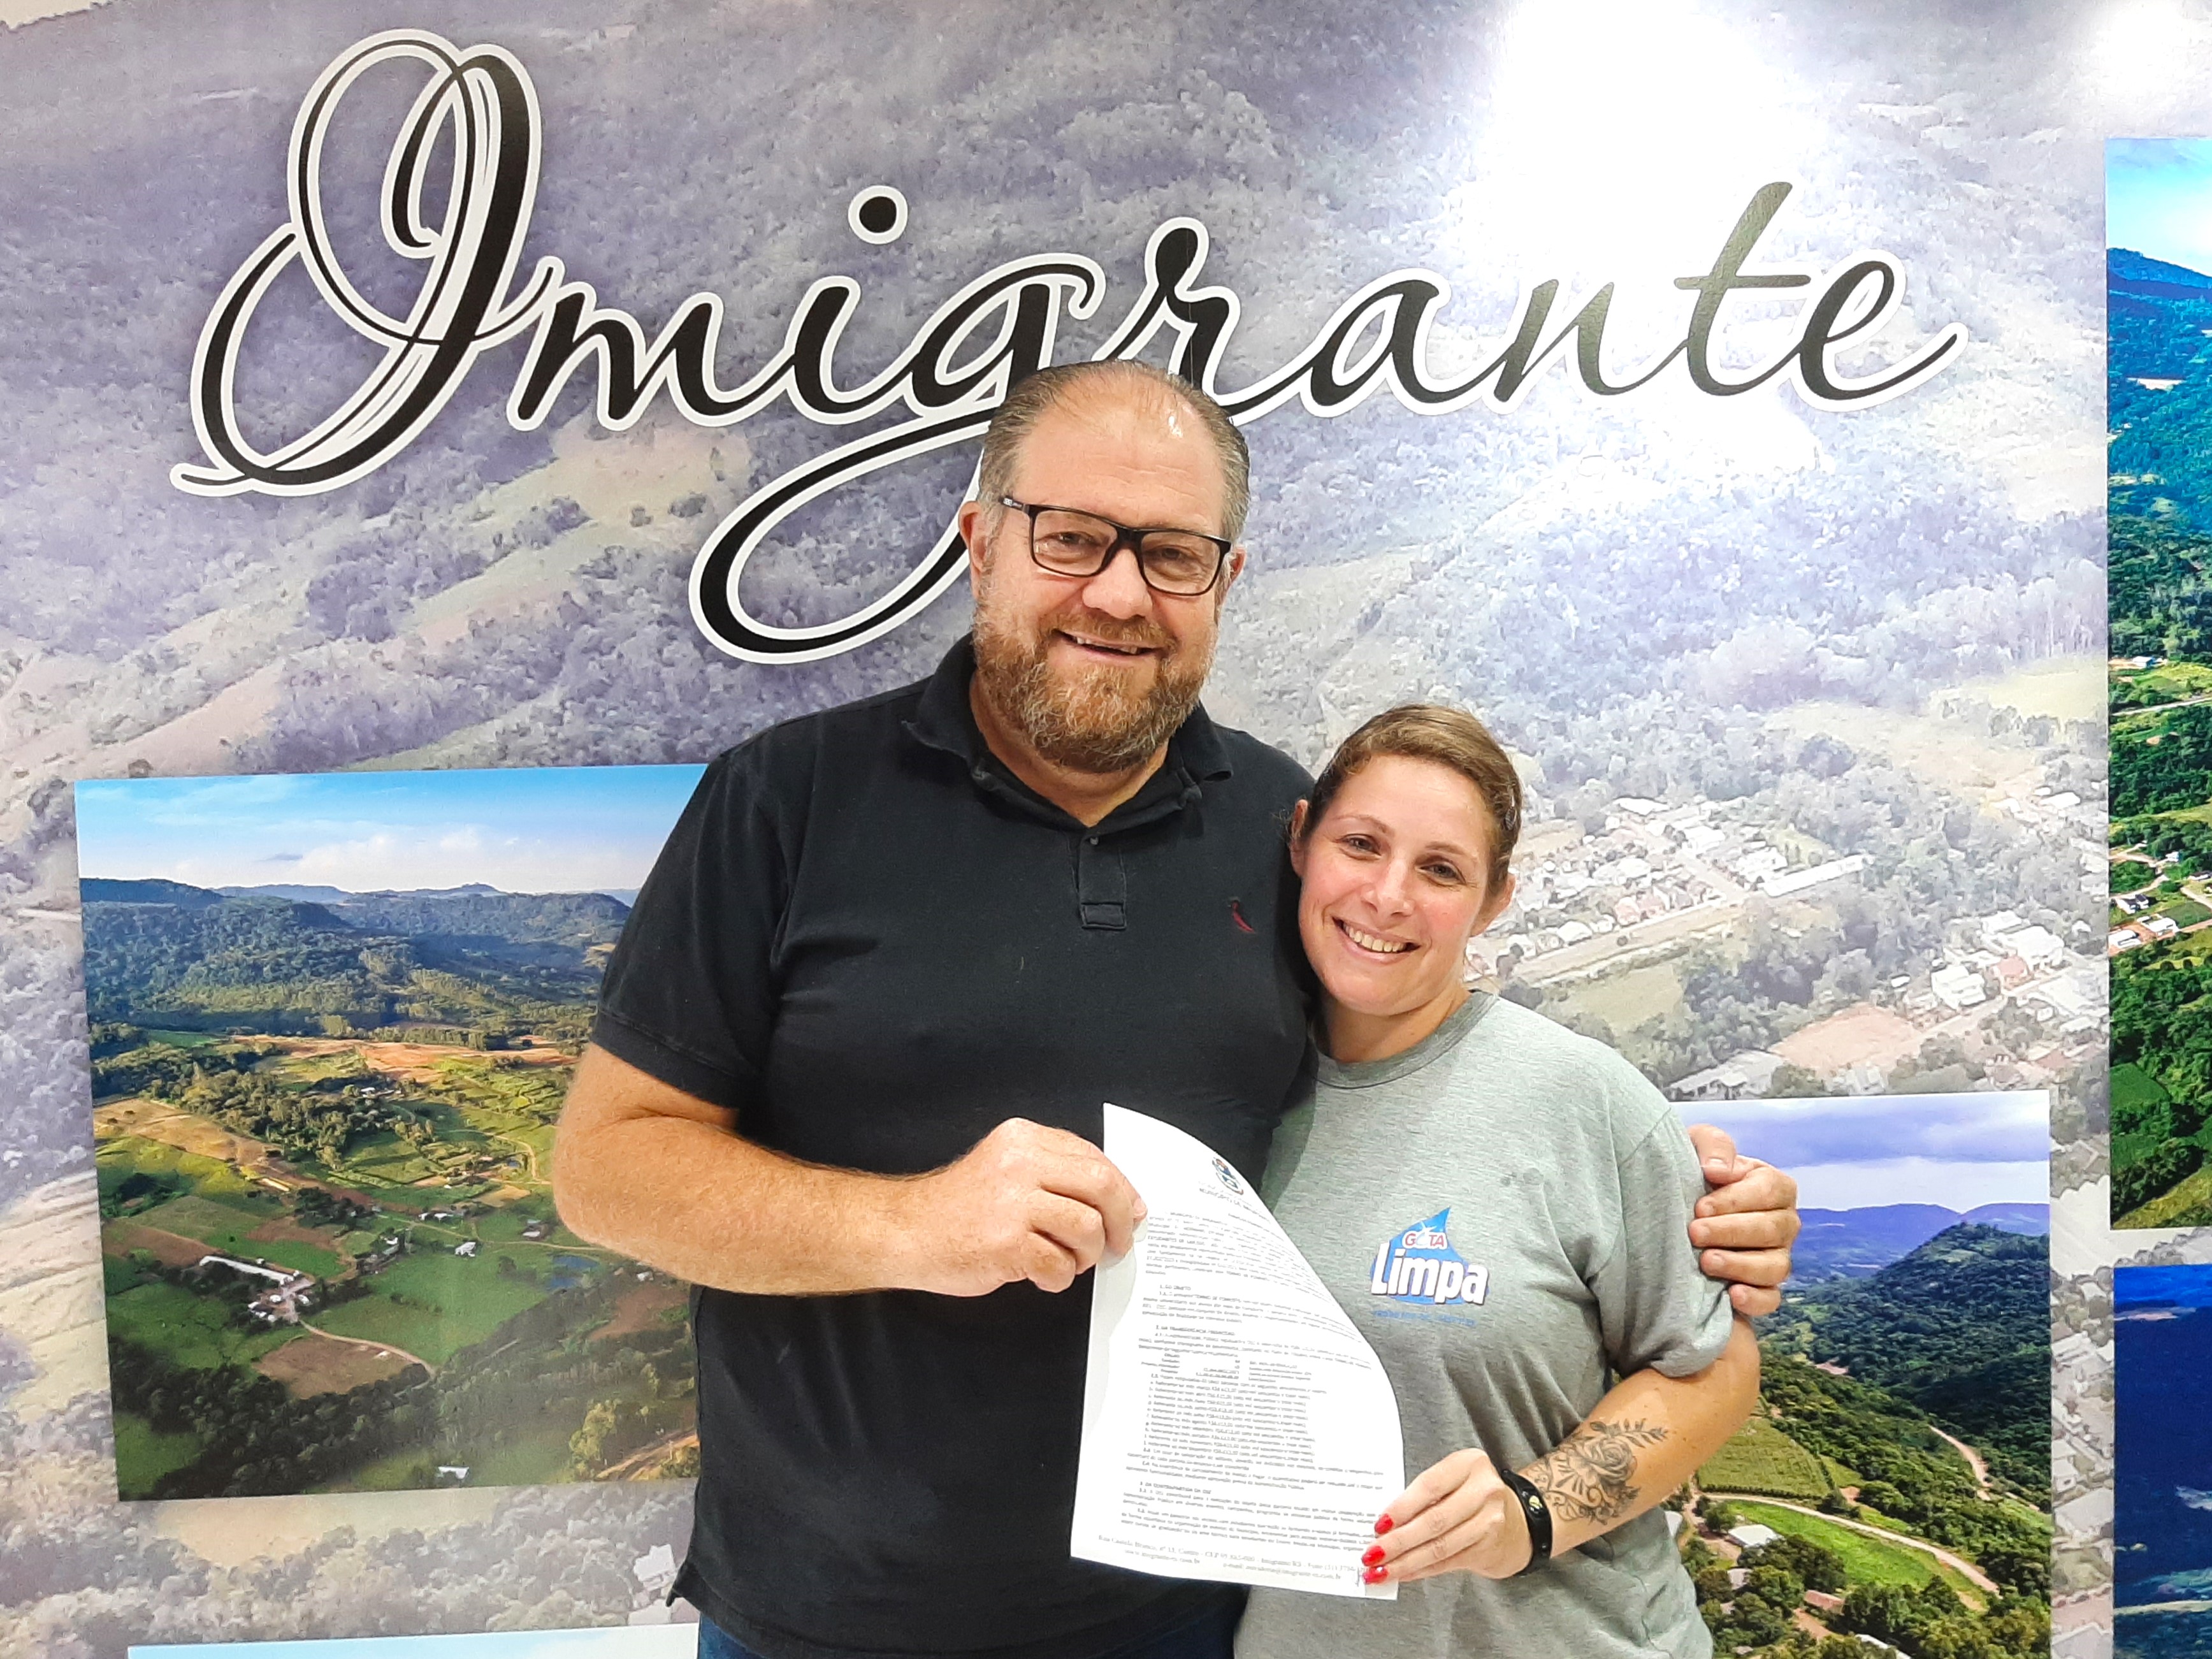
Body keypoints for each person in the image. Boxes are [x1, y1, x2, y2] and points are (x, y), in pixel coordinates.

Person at [552, 359, 1801, 1659]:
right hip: (824, 1618)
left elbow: (1427, 1079)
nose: (1117, 593)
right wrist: (912, 1225)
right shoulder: (785, 801)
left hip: (1193, 1620)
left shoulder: (1285, 830)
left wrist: (1674, 1191)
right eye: (1070, 537)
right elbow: (604, 1171)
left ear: (1225, 581)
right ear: (979, 542)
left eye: (1170, 555)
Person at [1236, 705, 1760, 1659]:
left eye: (1441, 870)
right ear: (1302, 842)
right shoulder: (1223, 1096)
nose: (1388, 896)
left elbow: (1711, 1370)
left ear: (1494, 901)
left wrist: (1534, 1511)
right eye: (1361, 845)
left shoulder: (1583, 1099)